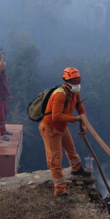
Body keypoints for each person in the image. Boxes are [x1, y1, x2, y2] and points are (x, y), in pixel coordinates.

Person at [39, 67, 92, 198]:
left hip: (62, 127)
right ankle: (60, 190)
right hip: (51, 129)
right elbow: (56, 116)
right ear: (67, 81)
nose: (77, 83)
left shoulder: (75, 93)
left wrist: (83, 124)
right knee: (55, 160)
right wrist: (75, 119)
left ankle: (77, 169)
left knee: (71, 150)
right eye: (74, 81)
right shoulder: (59, 94)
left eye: (78, 80)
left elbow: (81, 110)